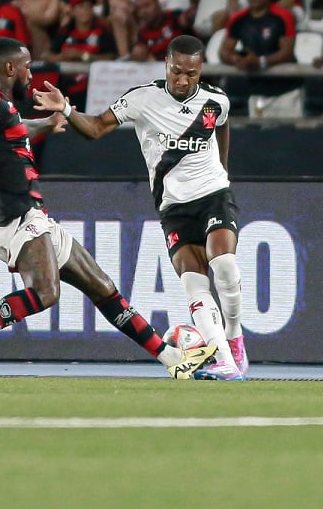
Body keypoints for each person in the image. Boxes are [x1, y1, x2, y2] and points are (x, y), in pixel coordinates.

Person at [0, 37, 218, 379]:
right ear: (10, 68)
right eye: (26, 66)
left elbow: (9, 132)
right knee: (46, 293)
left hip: (33, 214)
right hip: (14, 215)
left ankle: (173, 361)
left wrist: (46, 125)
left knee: (102, 286)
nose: (30, 74)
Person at [33, 35, 248, 380]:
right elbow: (97, 128)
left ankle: (235, 336)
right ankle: (225, 361)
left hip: (213, 194)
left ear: (200, 70)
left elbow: (222, 126)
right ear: (166, 63)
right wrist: (67, 109)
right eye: (177, 71)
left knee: (223, 263)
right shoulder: (142, 99)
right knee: (195, 285)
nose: (182, 80)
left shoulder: (215, 101)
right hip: (173, 206)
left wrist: (223, 170)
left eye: (191, 74)